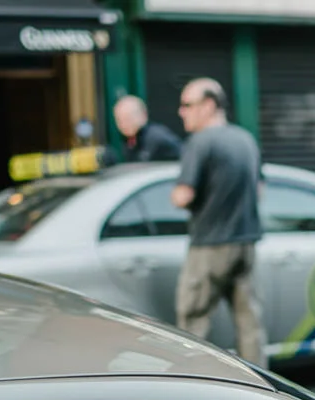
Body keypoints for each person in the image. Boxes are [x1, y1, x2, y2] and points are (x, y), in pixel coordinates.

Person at [171, 77, 266, 365]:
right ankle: (261, 388)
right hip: (245, 243)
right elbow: (259, 190)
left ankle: (197, 388)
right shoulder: (245, 139)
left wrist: (177, 194)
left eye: (187, 105)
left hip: (210, 245)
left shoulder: (200, 142)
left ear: (209, 105)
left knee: (192, 321)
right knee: (249, 323)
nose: (181, 112)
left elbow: (183, 196)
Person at [112, 94, 183, 163]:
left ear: (143, 115)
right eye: (119, 120)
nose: (124, 124)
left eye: (128, 118)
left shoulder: (157, 137)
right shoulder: (129, 141)